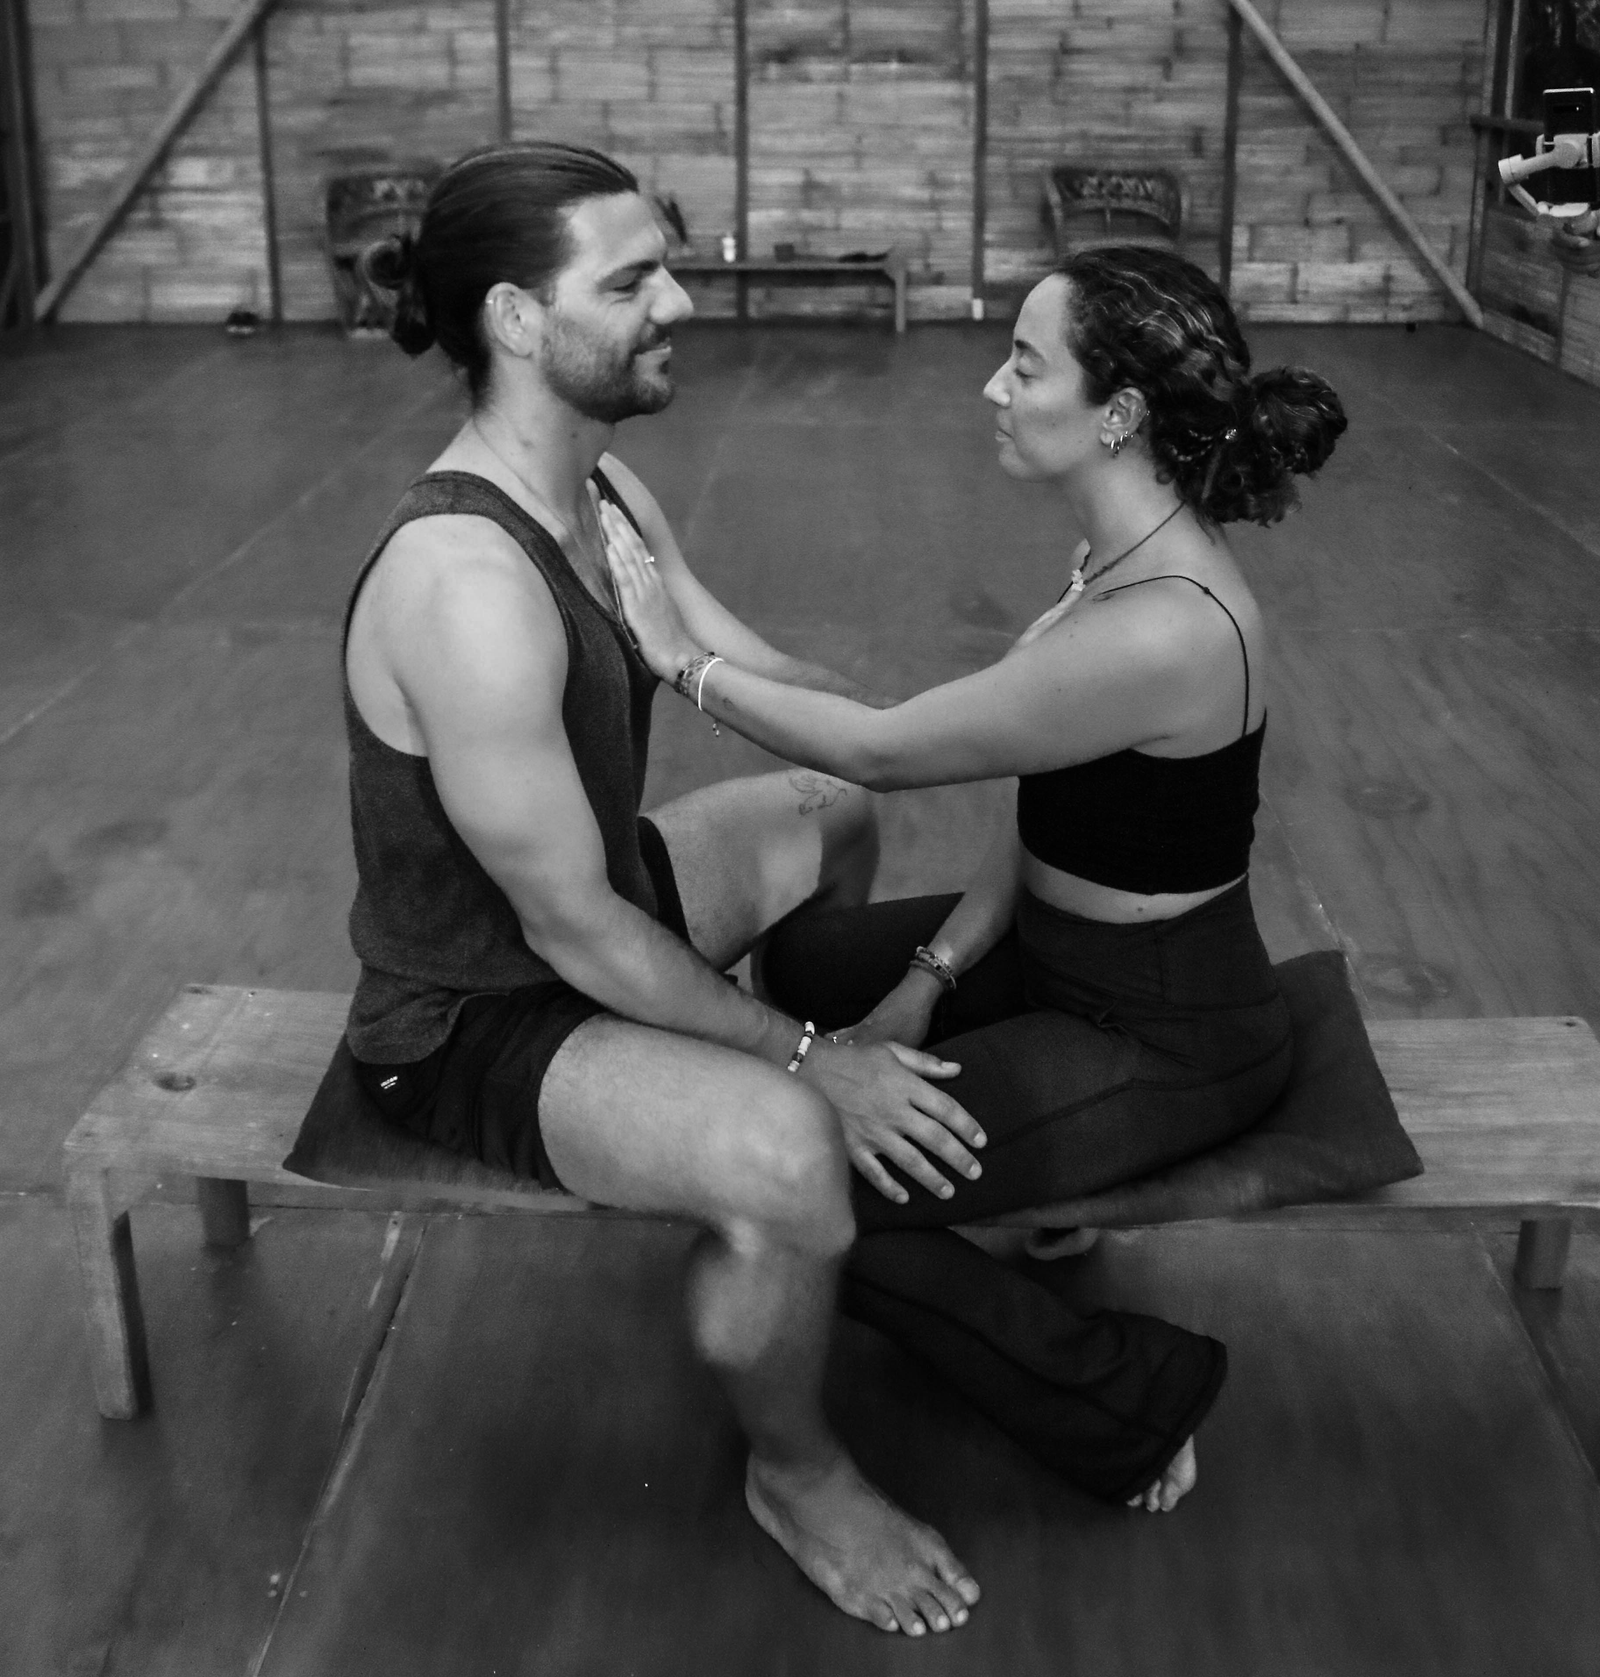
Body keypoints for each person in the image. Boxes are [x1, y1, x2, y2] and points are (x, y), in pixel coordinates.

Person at [343, 137, 1263, 1636]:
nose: (678, 304)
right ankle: (798, 1467)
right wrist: (804, 1063)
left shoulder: (602, 489)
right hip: (479, 1005)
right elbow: (570, 927)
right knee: (789, 1157)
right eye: (631, 282)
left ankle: (751, 1145)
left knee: (829, 816)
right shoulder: (464, 585)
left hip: (602, 901)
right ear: (515, 318)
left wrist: (849, 718)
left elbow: (825, 719)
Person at [602, 244, 1348, 1512]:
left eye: (1024, 365)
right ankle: (1052, 1171)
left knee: (792, 1191)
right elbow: (1053, 810)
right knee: (811, 970)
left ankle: (1120, 1396)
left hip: (1165, 1029)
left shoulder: (1166, 623)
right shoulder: (1116, 557)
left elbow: (883, 752)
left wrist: (677, 658)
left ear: (1116, 414)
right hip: (1054, 957)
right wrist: (926, 979)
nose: (991, 389)